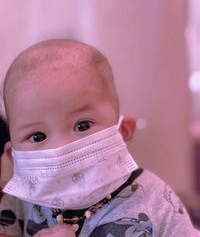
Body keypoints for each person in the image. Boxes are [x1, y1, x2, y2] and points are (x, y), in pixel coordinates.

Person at [0, 39, 199, 237]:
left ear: (124, 132)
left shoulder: (155, 199)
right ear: (13, 154)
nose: (62, 147)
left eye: (82, 125)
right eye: (37, 136)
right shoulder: (19, 201)